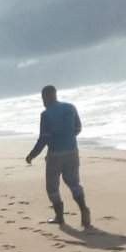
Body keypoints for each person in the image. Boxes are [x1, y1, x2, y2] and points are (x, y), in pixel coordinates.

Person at [25, 85, 90, 229]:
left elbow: (43, 138)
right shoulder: (70, 108)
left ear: (46, 97)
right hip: (72, 151)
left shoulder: (46, 115)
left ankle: (59, 217)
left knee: (52, 187)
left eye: (43, 98)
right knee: (74, 183)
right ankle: (84, 209)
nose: (43, 102)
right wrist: (68, 138)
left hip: (55, 154)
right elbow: (78, 128)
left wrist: (32, 155)